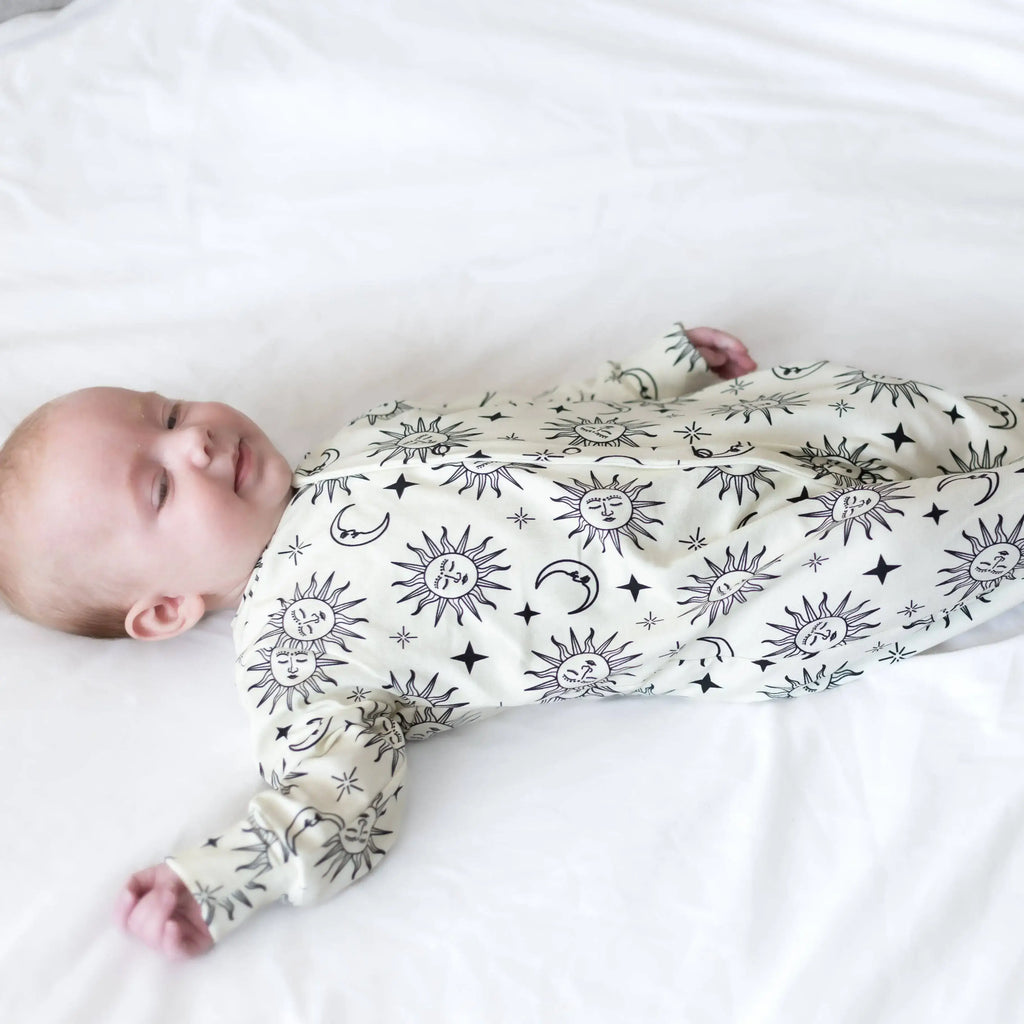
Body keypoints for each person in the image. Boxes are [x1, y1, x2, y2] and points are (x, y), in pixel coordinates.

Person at [2, 324, 1023, 960]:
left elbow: (545, 416)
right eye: (158, 484)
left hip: (738, 444)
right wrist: (220, 875)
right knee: (920, 538)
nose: (194, 440)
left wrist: (655, 375)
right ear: (166, 611)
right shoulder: (295, 654)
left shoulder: (367, 435)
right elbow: (332, 800)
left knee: (885, 409)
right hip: (730, 593)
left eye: (168, 411)